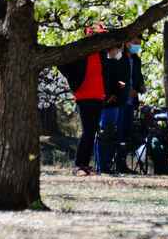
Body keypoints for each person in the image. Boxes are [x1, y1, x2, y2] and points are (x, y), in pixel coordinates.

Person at [57, 23, 108, 176]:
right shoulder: (80, 50)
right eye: (94, 34)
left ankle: (84, 165)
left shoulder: (101, 52)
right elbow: (62, 63)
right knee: (88, 131)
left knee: (91, 132)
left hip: (99, 95)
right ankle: (79, 165)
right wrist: (75, 83)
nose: (97, 37)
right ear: (87, 34)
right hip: (84, 96)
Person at [96, 43, 129, 174]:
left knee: (110, 134)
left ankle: (106, 164)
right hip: (106, 103)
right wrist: (107, 96)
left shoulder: (116, 61)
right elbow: (105, 80)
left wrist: (116, 93)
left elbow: (121, 80)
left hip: (114, 102)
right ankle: (102, 165)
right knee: (104, 133)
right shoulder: (104, 60)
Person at [115, 36, 145, 173]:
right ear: (126, 43)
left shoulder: (137, 60)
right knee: (118, 132)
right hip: (119, 101)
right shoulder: (118, 58)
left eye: (139, 43)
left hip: (131, 102)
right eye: (135, 42)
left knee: (127, 132)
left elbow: (139, 78)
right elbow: (115, 79)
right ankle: (113, 163)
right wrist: (127, 89)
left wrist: (140, 87)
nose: (137, 45)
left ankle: (122, 164)